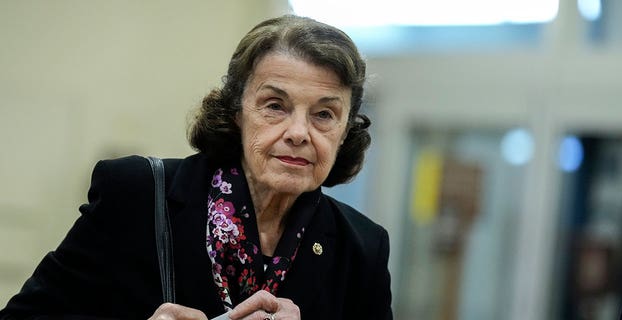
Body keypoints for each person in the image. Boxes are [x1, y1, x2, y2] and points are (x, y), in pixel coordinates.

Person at [0, 14, 392, 320]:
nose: (298, 132)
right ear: (236, 111)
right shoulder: (134, 194)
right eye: (275, 106)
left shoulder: (362, 247)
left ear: (345, 131)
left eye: (324, 114)